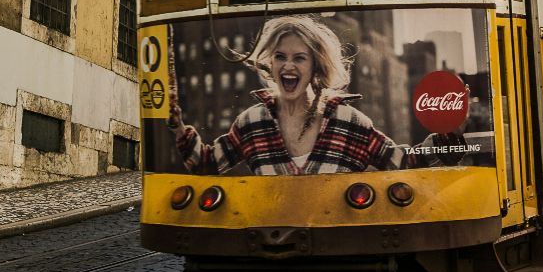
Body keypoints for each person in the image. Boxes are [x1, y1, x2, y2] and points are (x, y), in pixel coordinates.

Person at [170, 15, 465, 175]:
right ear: (270, 64)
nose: (288, 65)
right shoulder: (251, 123)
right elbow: (207, 164)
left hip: (341, 255)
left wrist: (445, 138)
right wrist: (177, 126)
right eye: (280, 56)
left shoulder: (350, 122)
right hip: (271, 253)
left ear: (315, 67)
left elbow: (402, 162)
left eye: (299, 58)